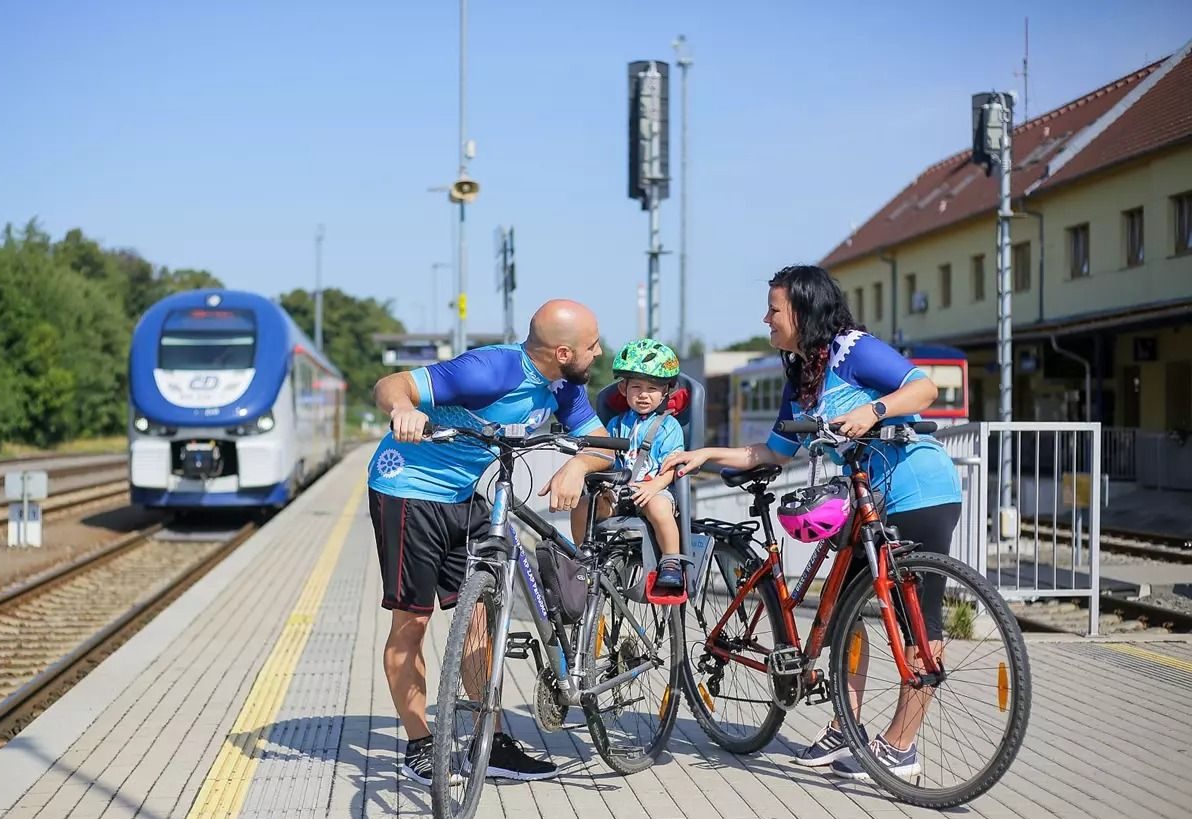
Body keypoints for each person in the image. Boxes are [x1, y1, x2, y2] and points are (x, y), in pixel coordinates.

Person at [664, 264, 962, 780]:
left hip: (918, 490)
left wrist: (874, 411)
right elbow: (774, 452)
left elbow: (923, 389)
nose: (766, 319)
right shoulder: (804, 372)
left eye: (774, 309)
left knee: (919, 623)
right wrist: (705, 453)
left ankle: (902, 745)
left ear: (802, 311)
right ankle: (846, 724)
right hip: (865, 502)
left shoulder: (854, 349)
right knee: (844, 616)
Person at [369, 298, 614, 786]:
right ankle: (420, 745)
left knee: (479, 617)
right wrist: (403, 408)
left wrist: (578, 465)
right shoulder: (491, 369)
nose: (599, 351)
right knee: (412, 623)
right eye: (592, 345)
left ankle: (492, 739)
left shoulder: (563, 387)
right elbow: (391, 385)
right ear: (563, 351)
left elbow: (599, 442)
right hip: (407, 491)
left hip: (466, 496)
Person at [570, 338, 688, 589]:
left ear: (666, 390)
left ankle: (671, 561)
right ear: (623, 389)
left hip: (655, 489)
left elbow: (674, 467)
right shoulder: (615, 425)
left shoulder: (669, 426)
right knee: (583, 506)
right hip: (619, 492)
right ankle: (582, 559)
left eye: (653, 388)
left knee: (658, 508)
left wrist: (653, 486)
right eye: (636, 387)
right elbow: (605, 460)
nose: (644, 395)